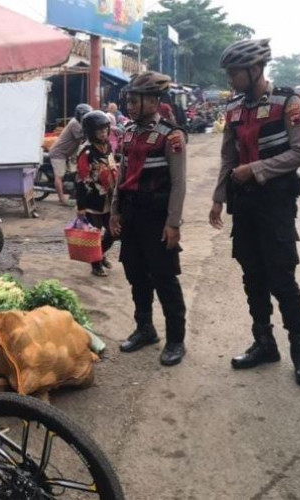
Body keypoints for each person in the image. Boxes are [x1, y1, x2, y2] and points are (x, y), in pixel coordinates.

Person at [209, 38, 300, 387]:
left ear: (255, 70)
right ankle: (264, 343)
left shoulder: (288, 102)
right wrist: (218, 197)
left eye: (235, 72)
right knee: (252, 277)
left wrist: (257, 169)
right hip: (245, 206)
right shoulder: (234, 108)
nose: (231, 79)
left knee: (282, 279)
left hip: (275, 206)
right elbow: (229, 157)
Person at [111, 71, 188, 366]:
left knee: (165, 278)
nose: (129, 105)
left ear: (154, 101)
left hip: (157, 218)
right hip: (131, 215)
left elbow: (179, 183)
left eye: (135, 100)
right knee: (136, 275)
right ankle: (145, 328)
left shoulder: (172, 135)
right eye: (128, 99)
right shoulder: (129, 132)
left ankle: (176, 339)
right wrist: (115, 210)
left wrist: (173, 224)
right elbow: (122, 174)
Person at [75, 110, 118, 277]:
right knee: (94, 233)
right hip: (92, 200)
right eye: (99, 130)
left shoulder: (107, 147)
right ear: (90, 132)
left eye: (105, 129)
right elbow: (80, 180)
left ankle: (99, 254)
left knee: (115, 232)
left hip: (108, 197)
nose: (103, 132)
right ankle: (96, 264)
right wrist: (81, 207)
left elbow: (112, 165)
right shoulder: (85, 151)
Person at [48, 103, 92, 205]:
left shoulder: (79, 123)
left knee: (75, 171)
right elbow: (83, 137)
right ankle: (62, 199)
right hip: (59, 153)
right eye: (84, 115)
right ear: (79, 115)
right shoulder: (74, 124)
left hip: (67, 153)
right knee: (59, 176)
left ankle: (73, 193)